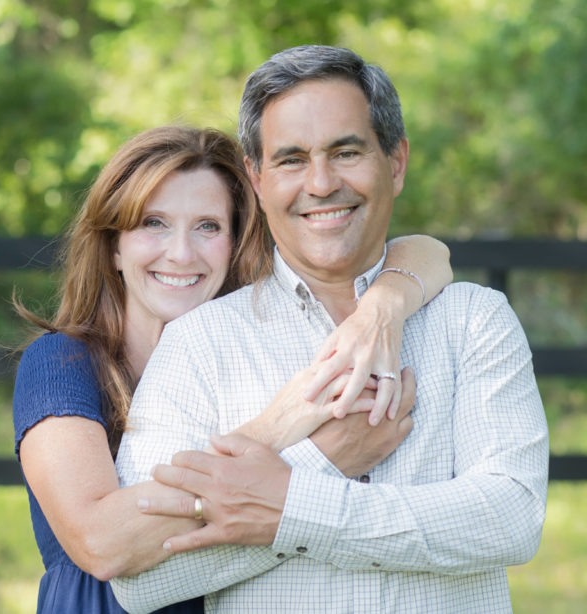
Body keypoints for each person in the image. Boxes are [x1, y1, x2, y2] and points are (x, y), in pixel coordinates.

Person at [111, 46, 548, 613]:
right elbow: (141, 581)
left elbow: (509, 519)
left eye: (346, 151)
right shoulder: (200, 341)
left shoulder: (473, 321)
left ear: (396, 162)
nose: (320, 183)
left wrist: (291, 507)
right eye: (291, 159)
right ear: (257, 178)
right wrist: (320, 464)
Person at [13, 125, 453, 613]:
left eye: (207, 226)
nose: (181, 253)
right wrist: (286, 430)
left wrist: (381, 308)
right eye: (153, 223)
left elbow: (429, 252)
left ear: (236, 242)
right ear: (114, 245)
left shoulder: (239, 346)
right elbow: (101, 544)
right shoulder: (62, 363)